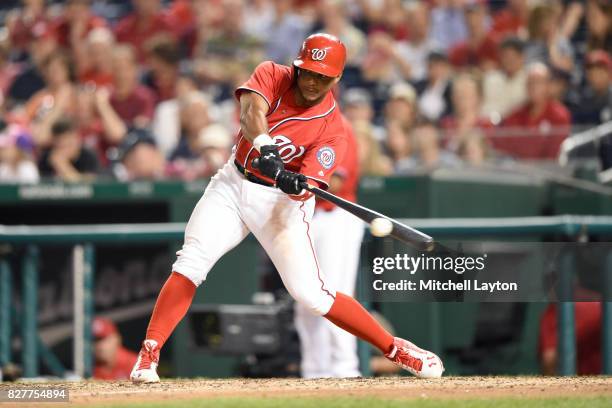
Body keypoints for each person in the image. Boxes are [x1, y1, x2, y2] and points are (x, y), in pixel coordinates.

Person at [129, 33, 444, 383]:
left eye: (323, 77)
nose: (313, 82)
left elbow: (309, 183)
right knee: (191, 262)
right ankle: (149, 355)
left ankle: (395, 348)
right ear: (297, 66)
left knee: (312, 295)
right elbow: (251, 115)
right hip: (232, 185)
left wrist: (297, 185)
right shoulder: (271, 74)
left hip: (279, 205)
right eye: (309, 72)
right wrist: (267, 150)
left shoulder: (333, 129)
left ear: (336, 79)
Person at [294, 117, 364, 378]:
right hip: (306, 216)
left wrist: (287, 176)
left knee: (334, 295)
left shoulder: (338, 126)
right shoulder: (297, 124)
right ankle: (315, 371)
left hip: (335, 216)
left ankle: (345, 369)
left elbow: (332, 182)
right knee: (305, 299)